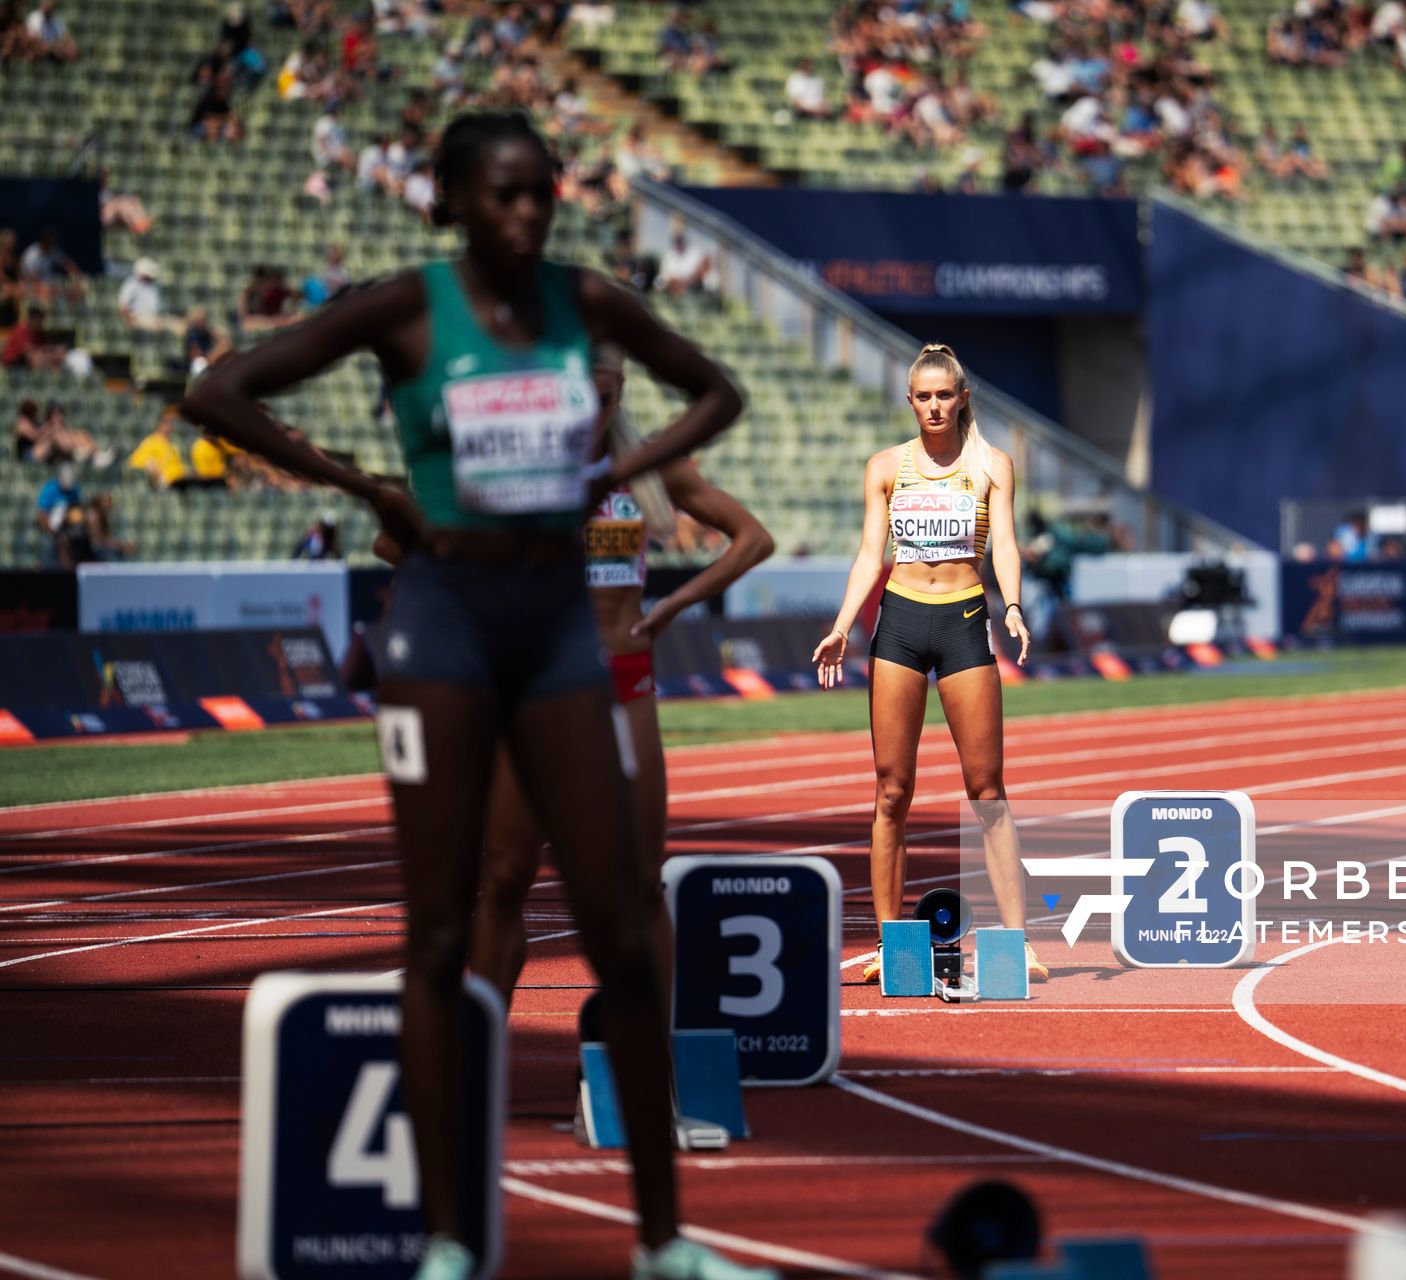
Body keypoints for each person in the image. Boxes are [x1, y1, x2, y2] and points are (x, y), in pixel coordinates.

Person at [179, 109, 768, 1280]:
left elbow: (717, 391)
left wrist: (621, 466)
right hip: (445, 624)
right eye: (503, 194)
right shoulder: (404, 306)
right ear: (450, 199)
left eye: (542, 191)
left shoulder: (587, 303)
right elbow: (219, 389)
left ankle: (666, 1242)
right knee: (445, 925)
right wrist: (365, 489)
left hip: (558, 632)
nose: (528, 212)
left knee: (622, 927)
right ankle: (448, 1238)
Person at [471, 342, 774, 1014]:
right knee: (505, 876)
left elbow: (754, 539)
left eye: (604, 397)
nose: (590, 411)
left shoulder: (650, 469)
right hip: (534, 687)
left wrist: (672, 604)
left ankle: (649, 1058)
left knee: (640, 884)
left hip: (623, 681)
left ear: (618, 394)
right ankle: (477, 1046)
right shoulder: (521, 466)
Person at [812, 344, 1044, 984]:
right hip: (902, 623)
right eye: (924, 396)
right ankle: (894, 944)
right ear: (910, 401)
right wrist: (840, 627)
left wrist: (1015, 607)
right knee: (891, 790)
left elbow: (1005, 545)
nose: (936, 406)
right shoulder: (886, 467)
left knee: (987, 789)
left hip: (965, 620)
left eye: (946, 395)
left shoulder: (992, 465)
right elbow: (868, 553)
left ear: (963, 397)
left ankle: (1018, 942)